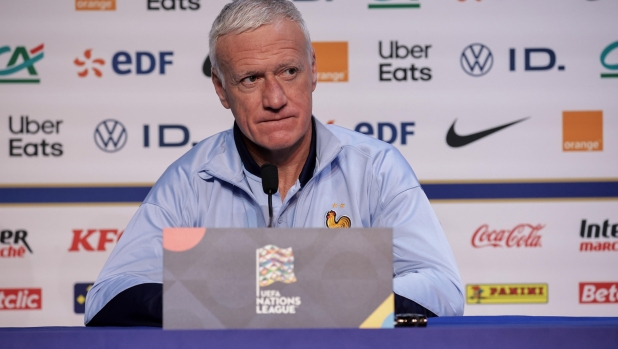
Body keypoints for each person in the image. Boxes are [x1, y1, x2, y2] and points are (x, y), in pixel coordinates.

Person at [85, 0, 464, 326]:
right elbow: (108, 295)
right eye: (250, 79)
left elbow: (442, 288)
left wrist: (310, 298)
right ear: (221, 89)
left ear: (313, 70)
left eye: (289, 71)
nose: (275, 98)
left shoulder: (375, 168)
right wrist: (224, 301)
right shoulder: (190, 178)